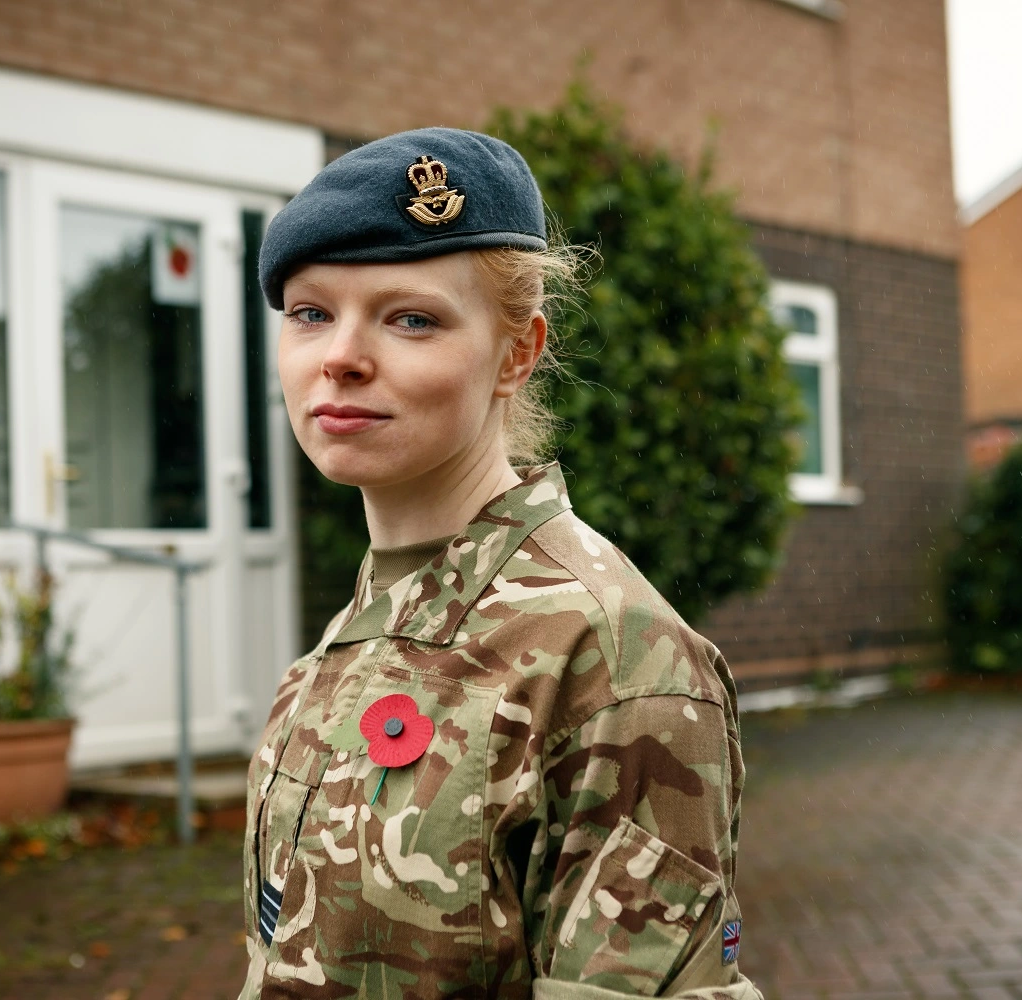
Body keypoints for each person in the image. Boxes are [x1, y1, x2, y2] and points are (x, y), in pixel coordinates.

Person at [241, 127, 762, 999]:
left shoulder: (610, 652)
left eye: (411, 318)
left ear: (517, 352)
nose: (339, 357)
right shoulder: (367, 623)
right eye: (310, 313)